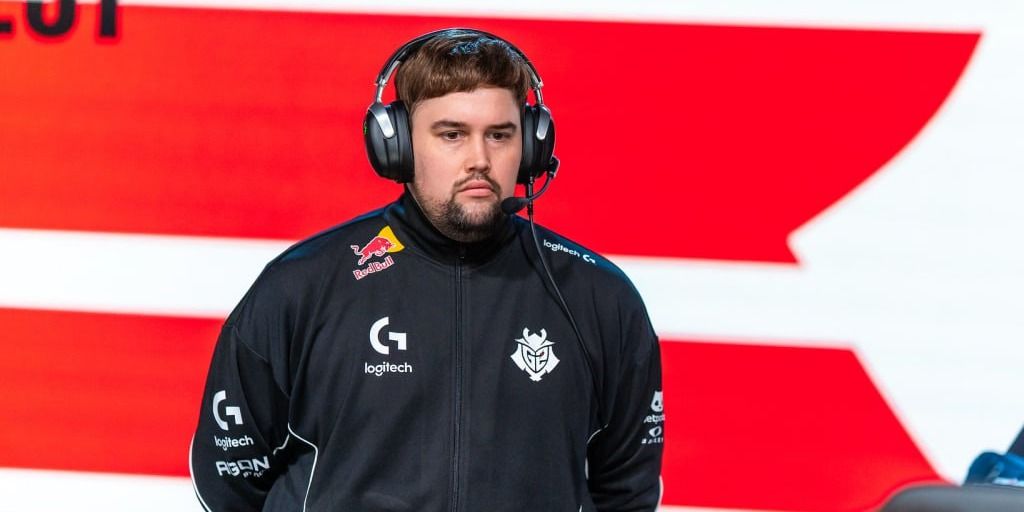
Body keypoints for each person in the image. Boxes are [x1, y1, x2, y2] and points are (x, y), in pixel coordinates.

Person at [190, 28, 664, 511]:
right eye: (452, 135)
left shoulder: (599, 298)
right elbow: (229, 479)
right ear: (396, 145)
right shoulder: (301, 288)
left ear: (532, 147)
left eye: (500, 135)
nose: (480, 160)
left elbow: (627, 491)